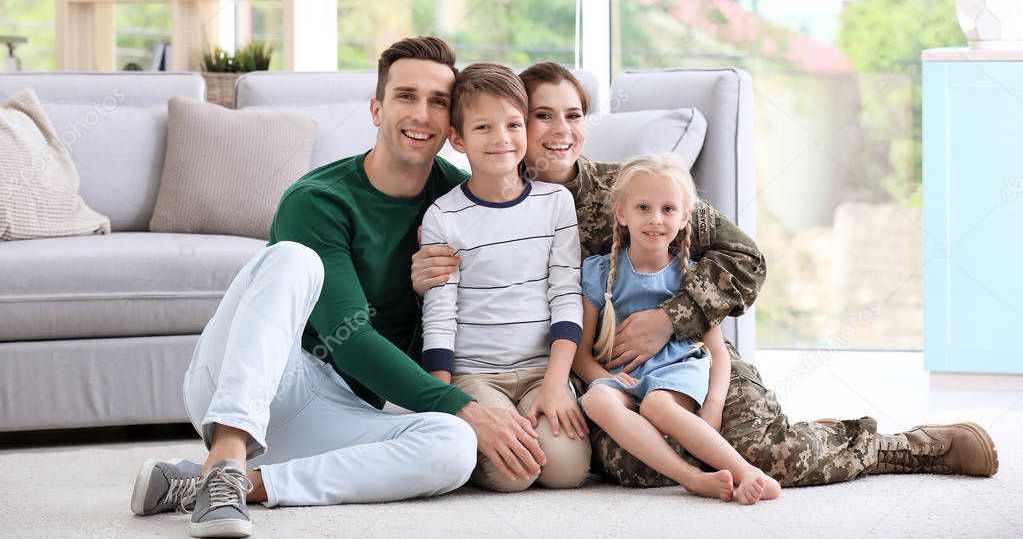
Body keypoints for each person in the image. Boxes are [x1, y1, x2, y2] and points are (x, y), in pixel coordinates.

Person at [411, 61, 998, 489]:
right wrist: (421, 272)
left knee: (760, 451)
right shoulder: (470, 196)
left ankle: (906, 447)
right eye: (542, 116)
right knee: (632, 468)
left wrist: (671, 318)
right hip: (588, 379)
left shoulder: (635, 187)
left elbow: (746, 259)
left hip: (686, 356)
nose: (560, 130)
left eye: (574, 114)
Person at [130, 37, 546, 539]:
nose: (422, 114)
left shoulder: (456, 199)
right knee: (292, 259)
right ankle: (226, 454)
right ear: (376, 108)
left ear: (452, 126)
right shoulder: (318, 199)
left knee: (453, 447)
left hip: (341, 410)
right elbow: (347, 337)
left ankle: (236, 485)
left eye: (438, 101)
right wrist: (465, 405)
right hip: (266, 380)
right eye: (406, 96)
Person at [420, 63, 591, 491]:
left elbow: (566, 293)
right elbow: (439, 315)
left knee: (566, 471)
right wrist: (444, 407)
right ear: (457, 139)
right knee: (512, 476)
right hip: (476, 374)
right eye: (483, 127)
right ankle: (482, 445)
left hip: (541, 371)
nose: (501, 139)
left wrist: (556, 383)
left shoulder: (555, 204)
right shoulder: (444, 215)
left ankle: (530, 421)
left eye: (514, 124)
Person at [574, 154, 781, 504]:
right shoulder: (597, 273)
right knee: (595, 399)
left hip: (676, 370)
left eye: (668, 209)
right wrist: (600, 377)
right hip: (625, 375)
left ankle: (746, 471)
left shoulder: (688, 277)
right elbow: (579, 356)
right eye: (643, 207)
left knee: (657, 405)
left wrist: (713, 405)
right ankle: (691, 478)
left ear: (686, 217)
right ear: (621, 213)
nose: (655, 219)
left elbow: (717, 352)